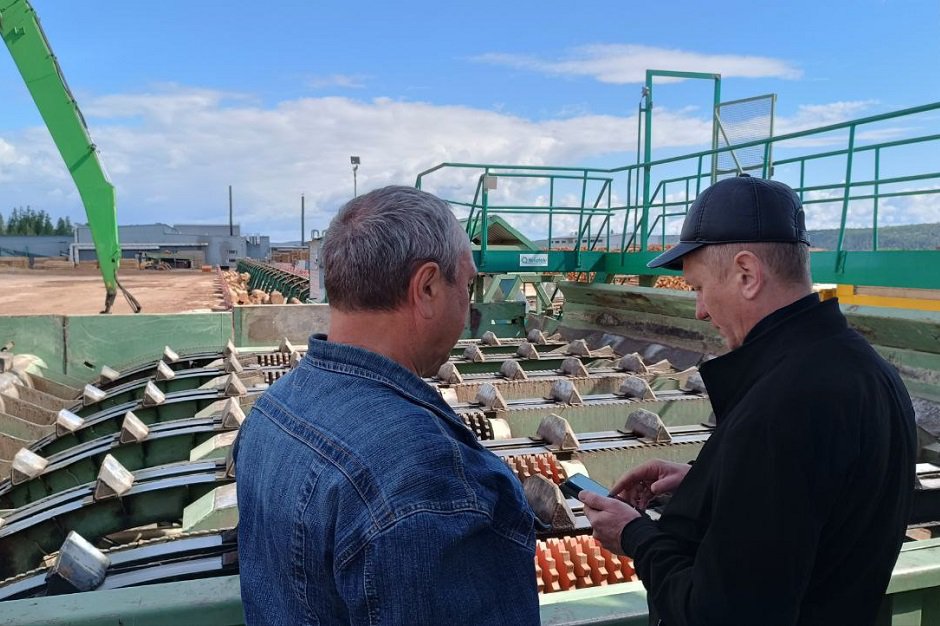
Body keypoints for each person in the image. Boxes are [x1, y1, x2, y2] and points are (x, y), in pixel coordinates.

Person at [579, 174, 916, 625]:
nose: (700, 310)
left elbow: (722, 613)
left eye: (698, 287)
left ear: (747, 274)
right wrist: (709, 482)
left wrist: (634, 536)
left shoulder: (784, 403)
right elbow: (816, 505)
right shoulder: (867, 371)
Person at [235, 185, 540, 625]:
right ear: (427, 287)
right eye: (467, 284)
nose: (467, 305)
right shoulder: (427, 478)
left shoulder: (271, 411)